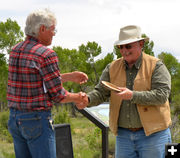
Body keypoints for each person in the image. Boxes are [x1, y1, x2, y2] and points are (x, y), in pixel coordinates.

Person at [78, 25, 172, 158]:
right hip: (123, 137)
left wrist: (132, 95)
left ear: (141, 44)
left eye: (128, 46)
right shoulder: (111, 67)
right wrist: (86, 100)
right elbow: (100, 92)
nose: (124, 50)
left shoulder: (156, 66)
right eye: (120, 47)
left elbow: (162, 95)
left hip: (154, 135)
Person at [7, 8, 87, 158]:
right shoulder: (46, 54)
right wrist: (79, 97)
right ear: (42, 29)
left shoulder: (15, 51)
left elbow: (34, 81)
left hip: (14, 120)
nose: (54, 33)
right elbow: (58, 96)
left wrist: (69, 76)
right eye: (53, 29)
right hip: (37, 120)